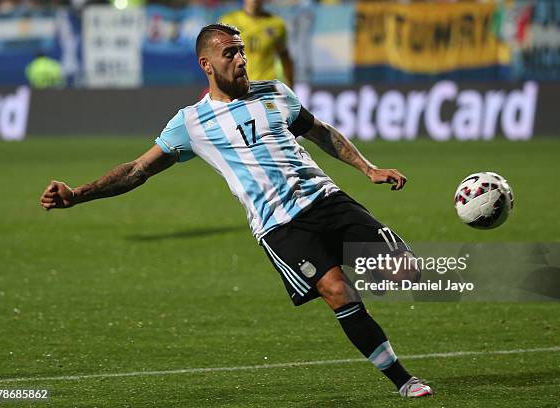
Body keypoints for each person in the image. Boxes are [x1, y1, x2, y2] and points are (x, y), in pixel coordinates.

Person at [39, 24, 432, 399]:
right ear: (206, 64)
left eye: (242, 51)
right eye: (230, 53)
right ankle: (403, 380)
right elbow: (137, 169)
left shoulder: (275, 93)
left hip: (327, 199)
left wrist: (368, 168)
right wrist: (77, 194)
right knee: (336, 291)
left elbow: (321, 131)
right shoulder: (191, 122)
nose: (242, 59)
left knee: (406, 272)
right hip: (279, 226)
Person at [220, 0, 294, 87]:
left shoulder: (276, 24)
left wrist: (290, 85)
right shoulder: (229, 21)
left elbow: (285, 57)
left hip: (266, 86)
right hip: (239, 85)